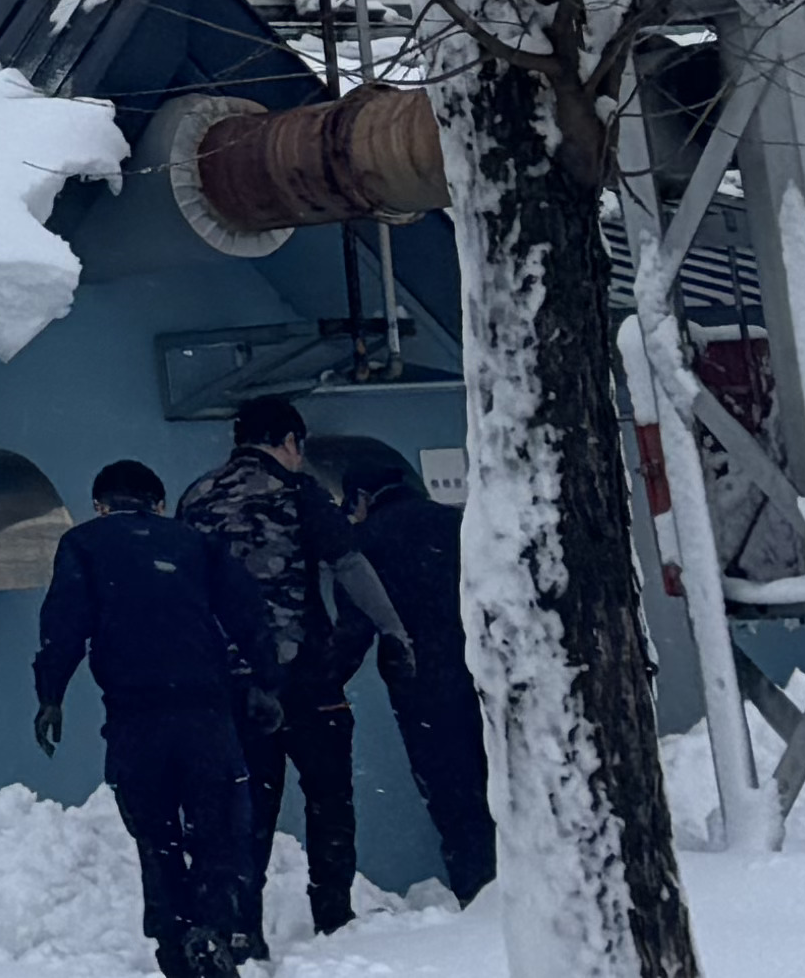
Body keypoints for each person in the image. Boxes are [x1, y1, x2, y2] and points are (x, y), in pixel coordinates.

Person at [35, 459, 285, 978]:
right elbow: (247, 612)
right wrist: (266, 681)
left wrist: (50, 695)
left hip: (134, 718)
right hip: (206, 713)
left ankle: (173, 943)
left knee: (157, 837)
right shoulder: (195, 544)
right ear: (160, 503)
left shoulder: (83, 544)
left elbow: (64, 625)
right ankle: (214, 931)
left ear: (99, 506)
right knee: (219, 830)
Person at [182, 396, 392, 938]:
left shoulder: (197, 497)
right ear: (291, 443)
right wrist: (394, 629)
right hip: (306, 677)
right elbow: (348, 564)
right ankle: (334, 917)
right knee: (329, 799)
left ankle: (242, 927)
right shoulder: (298, 491)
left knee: (247, 808)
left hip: (229, 685)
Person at [311, 432, 496, 903]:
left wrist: (318, 685)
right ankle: (519, 884)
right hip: (485, 675)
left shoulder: (366, 541)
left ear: (362, 498)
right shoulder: (458, 524)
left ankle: (478, 891)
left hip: (423, 687)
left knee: (455, 799)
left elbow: (355, 628)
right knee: (500, 784)